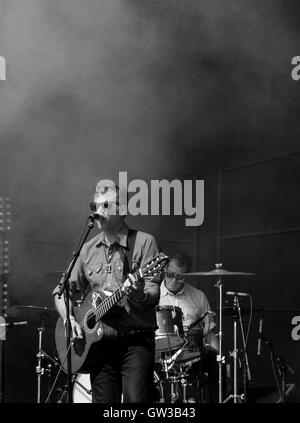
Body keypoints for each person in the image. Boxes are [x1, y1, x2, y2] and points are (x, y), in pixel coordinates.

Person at [53, 179, 161, 403]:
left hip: (136, 341)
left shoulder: (144, 242)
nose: (98, 212)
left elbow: (153, 293)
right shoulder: (87, 249)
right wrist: (69, 320)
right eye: (95, 207)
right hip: (100, 345)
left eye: (105, 206)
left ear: (122, 210)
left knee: (135, 402)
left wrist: (138, 294)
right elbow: (60, 292)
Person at [158, 251, 223, 403]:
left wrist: (220, 360)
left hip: (191, 354)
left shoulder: (198, 296)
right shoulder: (153, 294)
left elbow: (211, 334)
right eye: (170, 274)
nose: (173, 280)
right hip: (160, 354)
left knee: (215, 364)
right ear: (165, 269)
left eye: (179, 277)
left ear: (187, 276)